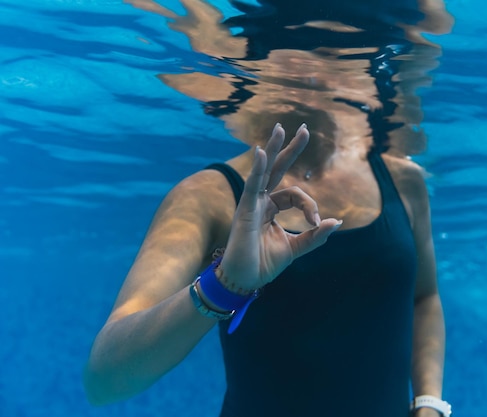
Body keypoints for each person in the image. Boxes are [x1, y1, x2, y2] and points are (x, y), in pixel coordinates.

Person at [84, 1, 454, 416]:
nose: (324, 72)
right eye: (307, 47)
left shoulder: (404, 181)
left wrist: (429, 405)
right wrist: (223, 286)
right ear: (260, 62)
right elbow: (104, 380)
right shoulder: (210, 196)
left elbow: (424, 299)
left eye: (342, 52)